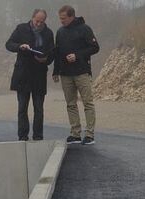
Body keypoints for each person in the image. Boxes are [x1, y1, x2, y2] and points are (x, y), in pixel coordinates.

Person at [52, 5, 100, 145]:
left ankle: (90, 134)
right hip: (65, 74)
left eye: (64, 18)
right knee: (70, 104)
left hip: (82, 72)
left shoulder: (85, 29)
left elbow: (95, 47)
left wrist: (77, 55)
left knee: (88, 103)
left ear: (72, 16)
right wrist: (56, 71)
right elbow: (57, 52)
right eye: (60, 18)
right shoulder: (60, 32)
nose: (61, 21)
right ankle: (75, 134)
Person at [6, 9, 55, 141]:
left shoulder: (48, 33)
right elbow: (9, 44)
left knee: (39, 109)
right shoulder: (21, 28)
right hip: (23, 74)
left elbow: (52, 53)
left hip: (39, 75)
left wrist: (46, 59)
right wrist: (20, 46)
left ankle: (38, 136)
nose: (39, 24)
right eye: (37, 21)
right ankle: (23, 136)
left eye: (42, 21)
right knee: (22, 108)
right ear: (32, 17)